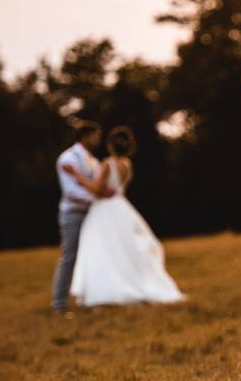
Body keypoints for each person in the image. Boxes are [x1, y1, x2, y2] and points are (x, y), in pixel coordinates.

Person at [63, 125, 185, 307]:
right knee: (124, 249)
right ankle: (129, 284)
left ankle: (108, 291)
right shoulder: (127, 164)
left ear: (110, 145)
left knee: (104, 249)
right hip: (121, 207)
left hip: (104, 209)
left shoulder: (107, 164)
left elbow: (97, 189)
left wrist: (76, 176)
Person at [52, 121, 107, 314]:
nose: (99, 139)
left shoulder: (93, 161)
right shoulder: (68, 158)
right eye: (96, 135)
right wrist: (96, 199)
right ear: (86, 135)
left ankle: (90, 299)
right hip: (73, 213)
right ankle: (59, 304)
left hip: (92, 214)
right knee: (69, 257)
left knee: (93, 257)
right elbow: (70, 192)